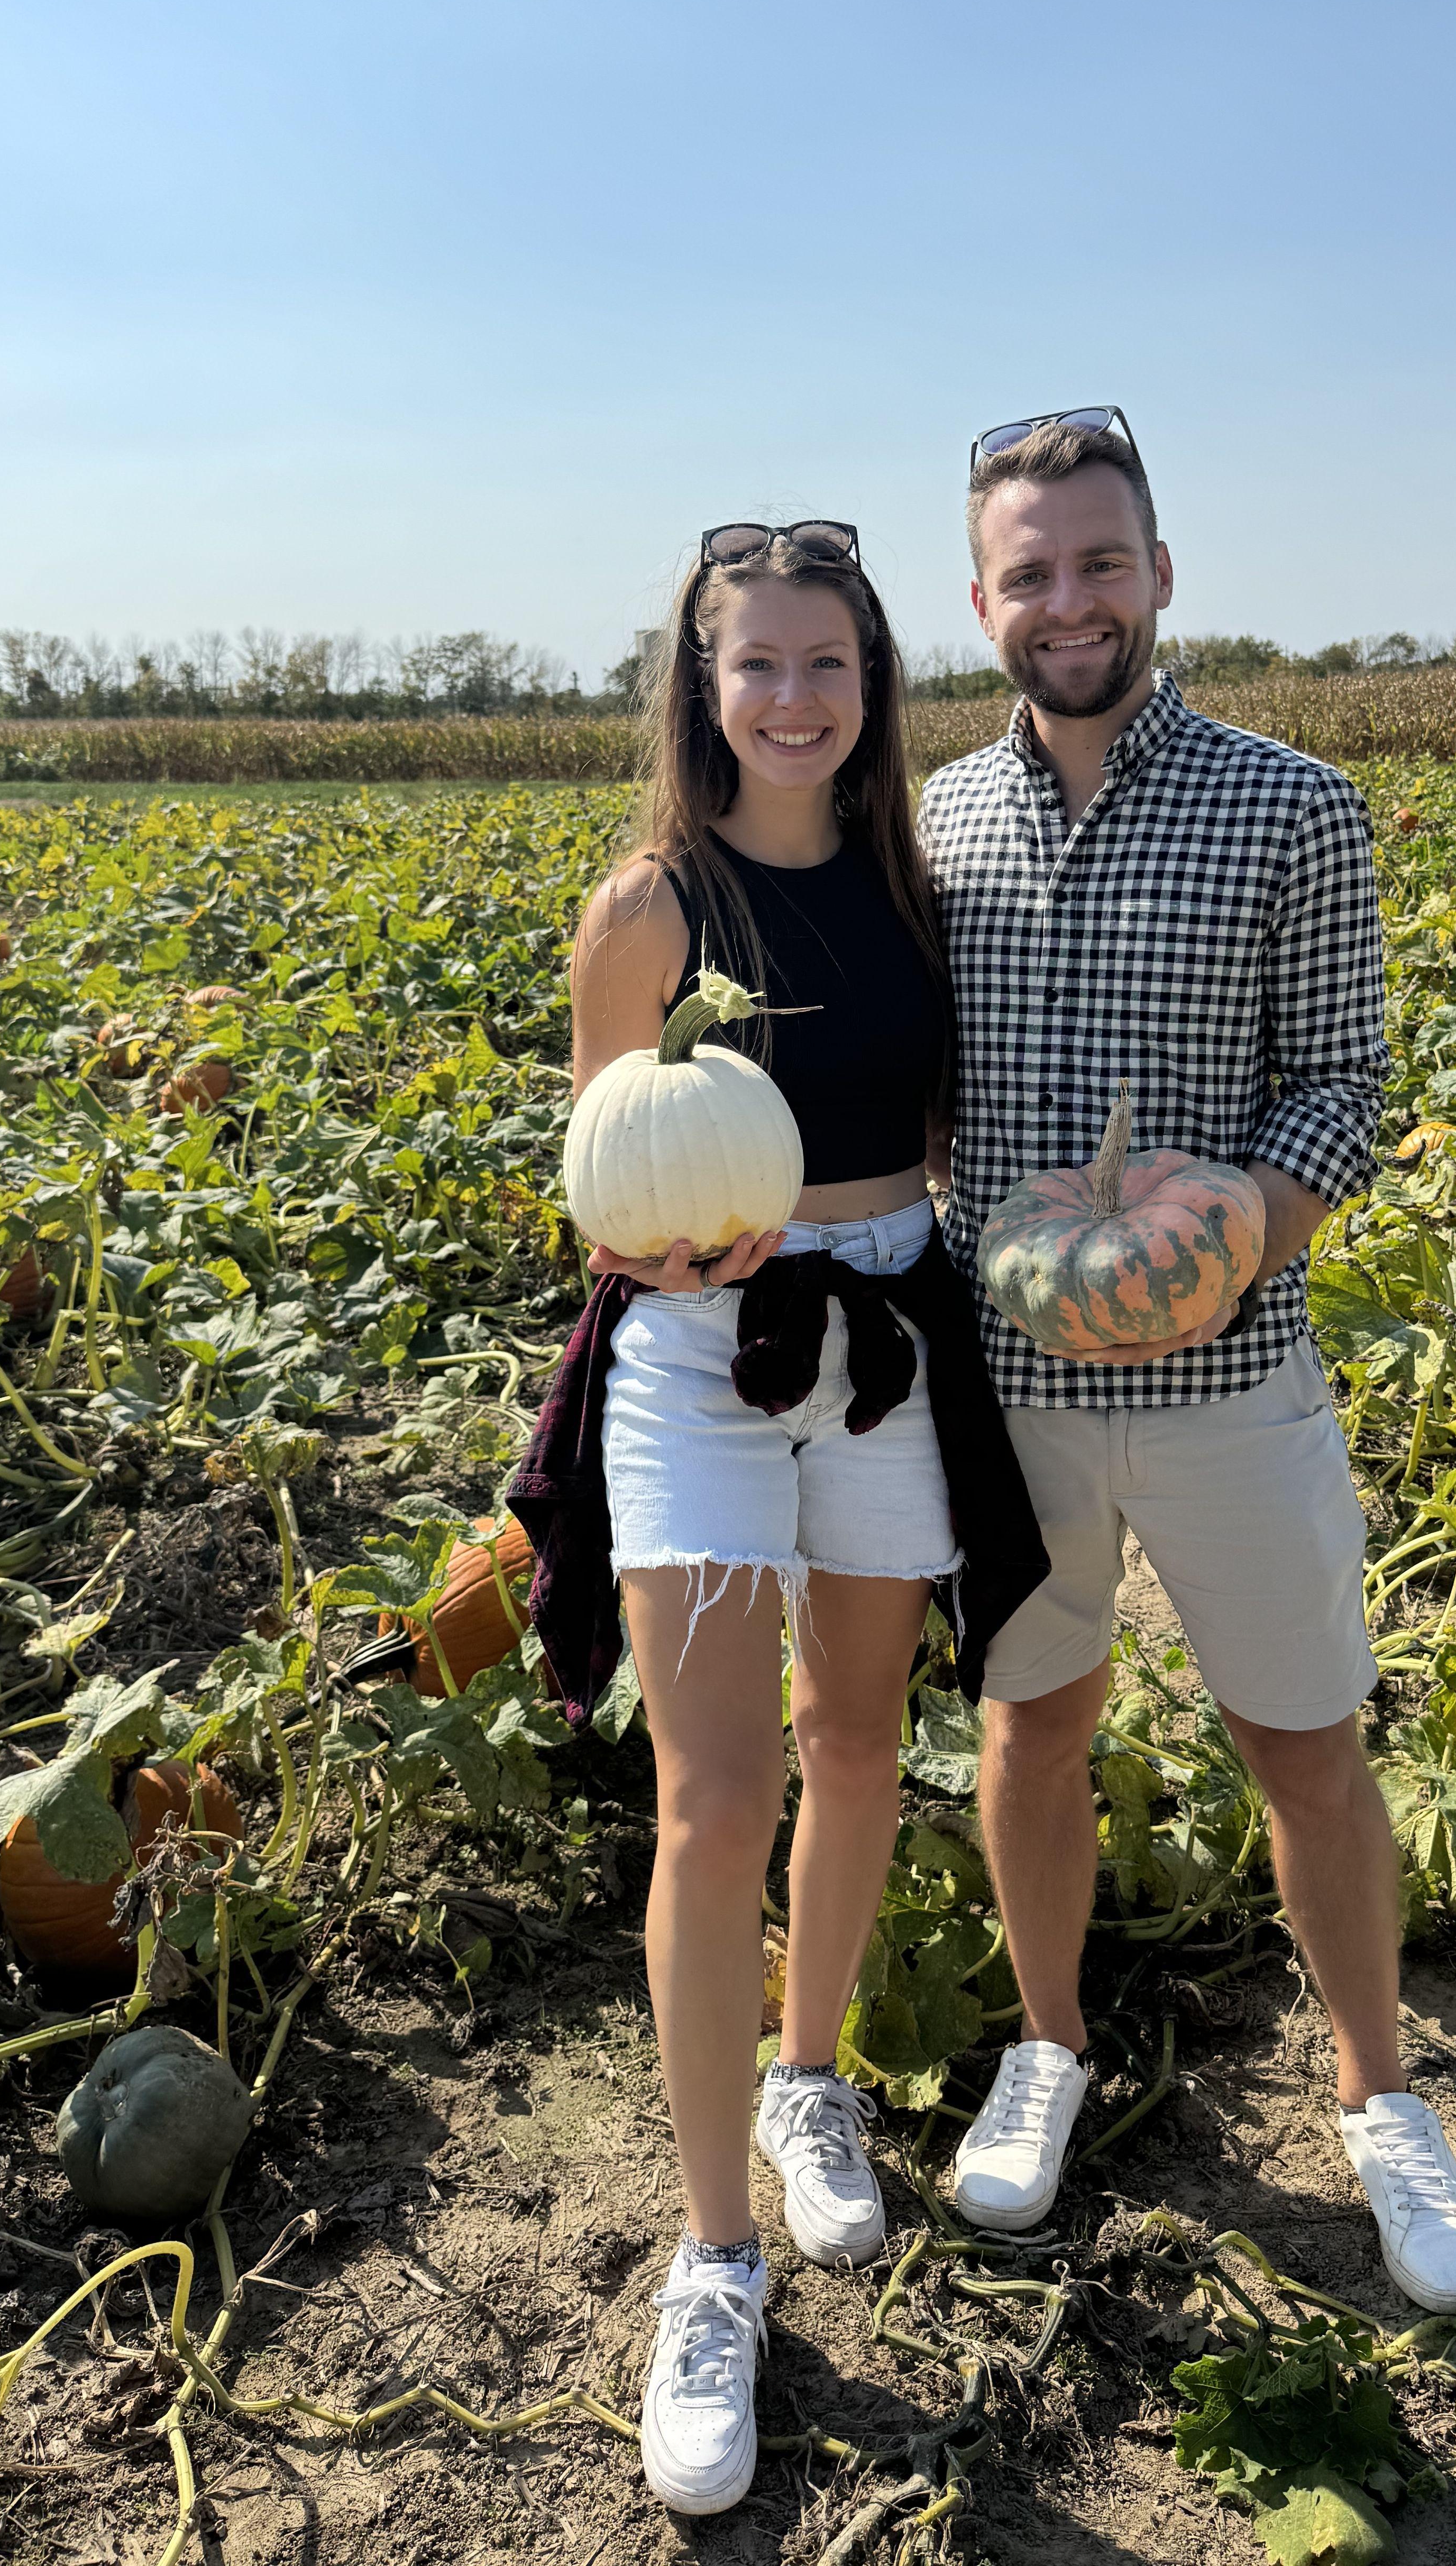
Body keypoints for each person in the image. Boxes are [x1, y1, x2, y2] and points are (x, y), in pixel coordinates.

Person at [915, 409, 1456, 2315]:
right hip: (1010, 1389)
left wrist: (1233, 1224)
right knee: (1035, 1723)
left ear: (1161, 573)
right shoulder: (935, 820)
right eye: (1031, 571)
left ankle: (1381, 2095)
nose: (1066, 600)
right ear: (982, 599)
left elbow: (1347, 1082)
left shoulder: (1292, 804)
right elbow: (918, 1104)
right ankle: (1052, 2049)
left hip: (1233, 1373)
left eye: (1101, 561)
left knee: (1304, 1746)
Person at [505, 518, 1049, 2518]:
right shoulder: (652, 902)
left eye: (832, 663)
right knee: (711, 1799)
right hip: (704, 1361)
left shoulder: (916, 882)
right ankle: (714, 2252)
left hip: (890, 1333)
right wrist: (674, 1240)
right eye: (761, 667)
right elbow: (596, 1169)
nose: (798, 698)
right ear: (704, 685)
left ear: (875, 680)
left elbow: (936, 1125)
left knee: (852, 1743)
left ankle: (813, 2080)